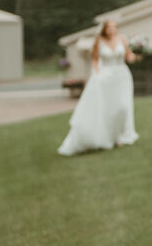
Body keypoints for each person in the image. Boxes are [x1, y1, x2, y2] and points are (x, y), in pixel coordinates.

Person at [58, 20, 139, 156]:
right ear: (104, 29)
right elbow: (94, 59)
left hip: (122, 77)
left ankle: (121, 135)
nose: (112, 30)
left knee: (123, 107)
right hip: (106, 77)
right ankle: (109, 137)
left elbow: (129, 56)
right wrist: (97, 74)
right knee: (107, 109)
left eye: (114, 27)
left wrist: (137, 55)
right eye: (109, 28)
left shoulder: (122, 39)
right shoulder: (99, 41)